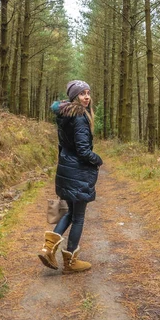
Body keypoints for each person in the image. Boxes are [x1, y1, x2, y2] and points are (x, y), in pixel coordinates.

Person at [38, 80, 103, 274]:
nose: (87, 96)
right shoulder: (80, 117)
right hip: (78, 172)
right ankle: (71, 261)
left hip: (66, 169)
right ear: (74, 97)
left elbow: (64, 145)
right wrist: (97, 159)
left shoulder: (64, 115)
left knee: (67, 212)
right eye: (82, 93)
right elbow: (83, 151)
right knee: (79, 217)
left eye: (88, 93)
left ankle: (47, 248)